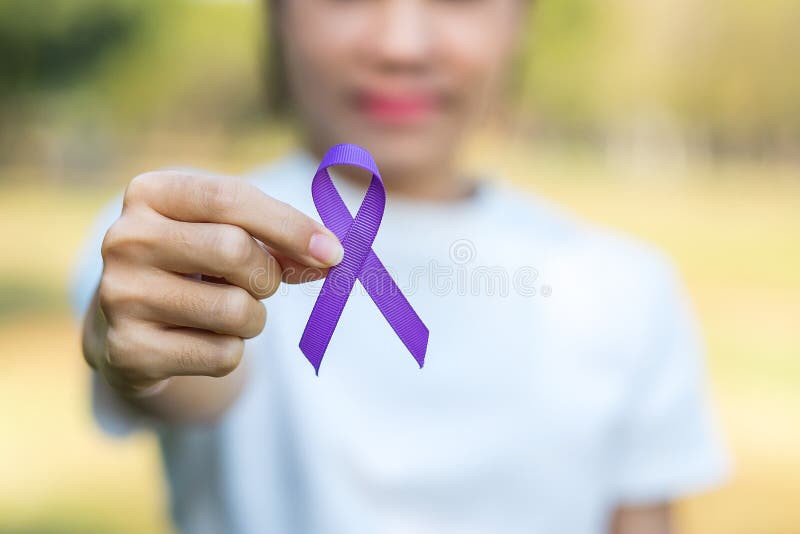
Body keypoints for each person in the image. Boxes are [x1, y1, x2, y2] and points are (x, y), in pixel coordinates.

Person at [71, 0, 729, 532]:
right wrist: (135, 344)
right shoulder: (183, 236)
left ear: (522, 16)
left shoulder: (624, 285)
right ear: (277, 14)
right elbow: (179, 377)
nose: (401, 45)